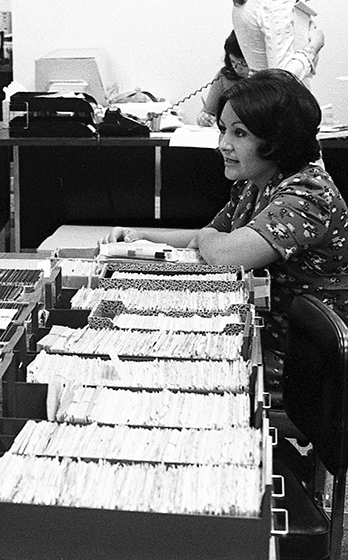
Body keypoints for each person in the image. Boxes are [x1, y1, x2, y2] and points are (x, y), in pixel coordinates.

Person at [102, 68, 348, 391]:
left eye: (239, 133)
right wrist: (139, 235)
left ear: (277, 141)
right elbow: (202, 238)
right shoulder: (255, 184)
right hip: (260, 333)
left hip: (299, 361)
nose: (223, 145)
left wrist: (209, 239)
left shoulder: (308, 195)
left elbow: (224, 254)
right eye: (223, 131)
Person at [231, 0, 325, 85]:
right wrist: (313, 48)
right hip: (281, 98)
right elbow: (282, 77)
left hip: (259, 92)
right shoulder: (275, 4)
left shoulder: (246, 4)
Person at [197, 31, 249, 127]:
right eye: (233, 62)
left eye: (244, 63)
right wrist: (204, 118)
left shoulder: (266, 80)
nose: (237, 68)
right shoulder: (224, 76)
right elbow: (208, 112)